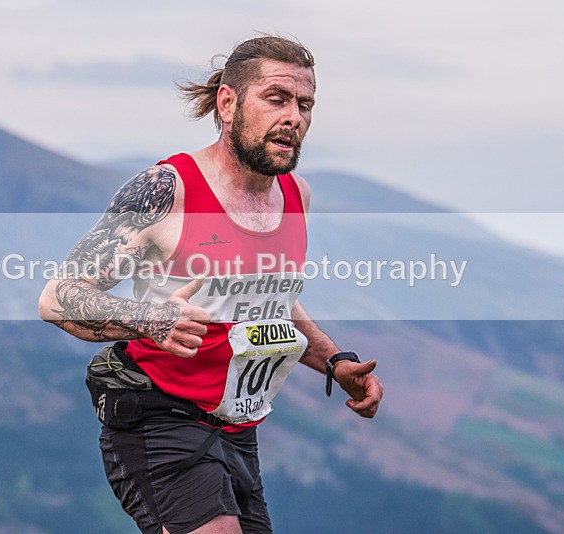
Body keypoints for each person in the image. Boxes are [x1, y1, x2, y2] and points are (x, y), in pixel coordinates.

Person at [39, 35, 384, 534]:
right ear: (228, 102)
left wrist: (335, 361)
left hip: (237, 431)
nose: (294, 117)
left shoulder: (295, 196)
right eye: (277, 98)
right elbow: (58, 297)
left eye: (305, 105)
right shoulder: (166, 189)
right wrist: (151, 319)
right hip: (157, 415)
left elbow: (274, 304)